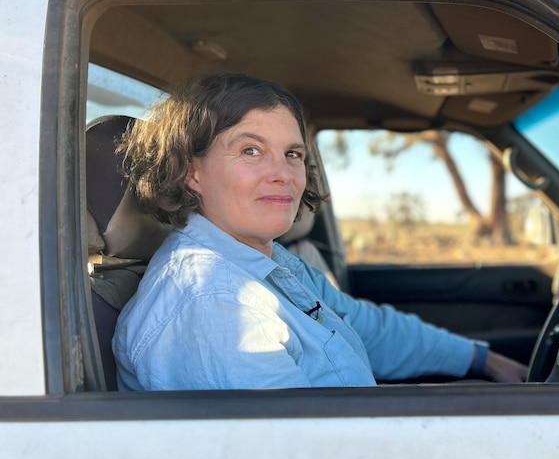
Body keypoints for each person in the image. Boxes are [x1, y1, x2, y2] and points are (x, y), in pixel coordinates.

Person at [113, 73, 528, 390]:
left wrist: (482, 360)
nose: (283, 174)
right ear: (192, 172)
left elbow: (365, 327)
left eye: (292, 154)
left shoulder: (268, 262)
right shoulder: (215, 304)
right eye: (250, 150)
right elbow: (309, 453)